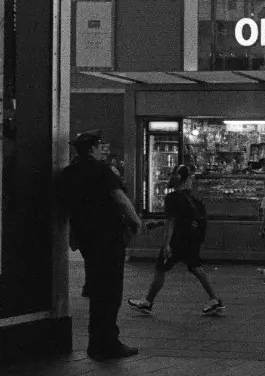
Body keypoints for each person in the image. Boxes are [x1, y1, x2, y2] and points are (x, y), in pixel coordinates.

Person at [57, 131, 140, 361]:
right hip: (108, 237)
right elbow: (119, 198)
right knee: (111, 291)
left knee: (95, 289)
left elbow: (66, 208)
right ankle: (109, 343)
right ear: (93, 148)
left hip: (86, 239)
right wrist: (135, 221)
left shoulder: (67, 174)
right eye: (100, 145)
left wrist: (73, 235)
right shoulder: (103, 171)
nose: (103, 148)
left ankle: (95, 345)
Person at [128, 165, 224, 315]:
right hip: (191, 240)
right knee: (196, 267)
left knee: (160, 269)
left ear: (178, 177)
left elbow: (171, 221)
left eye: (173, 174)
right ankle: (214, 299)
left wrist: (166, 245)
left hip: (176, 240)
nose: (170, 176)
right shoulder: (192, 198)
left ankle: (148, 302)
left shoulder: (172, 198)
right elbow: (182, 219)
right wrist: (158, 223)